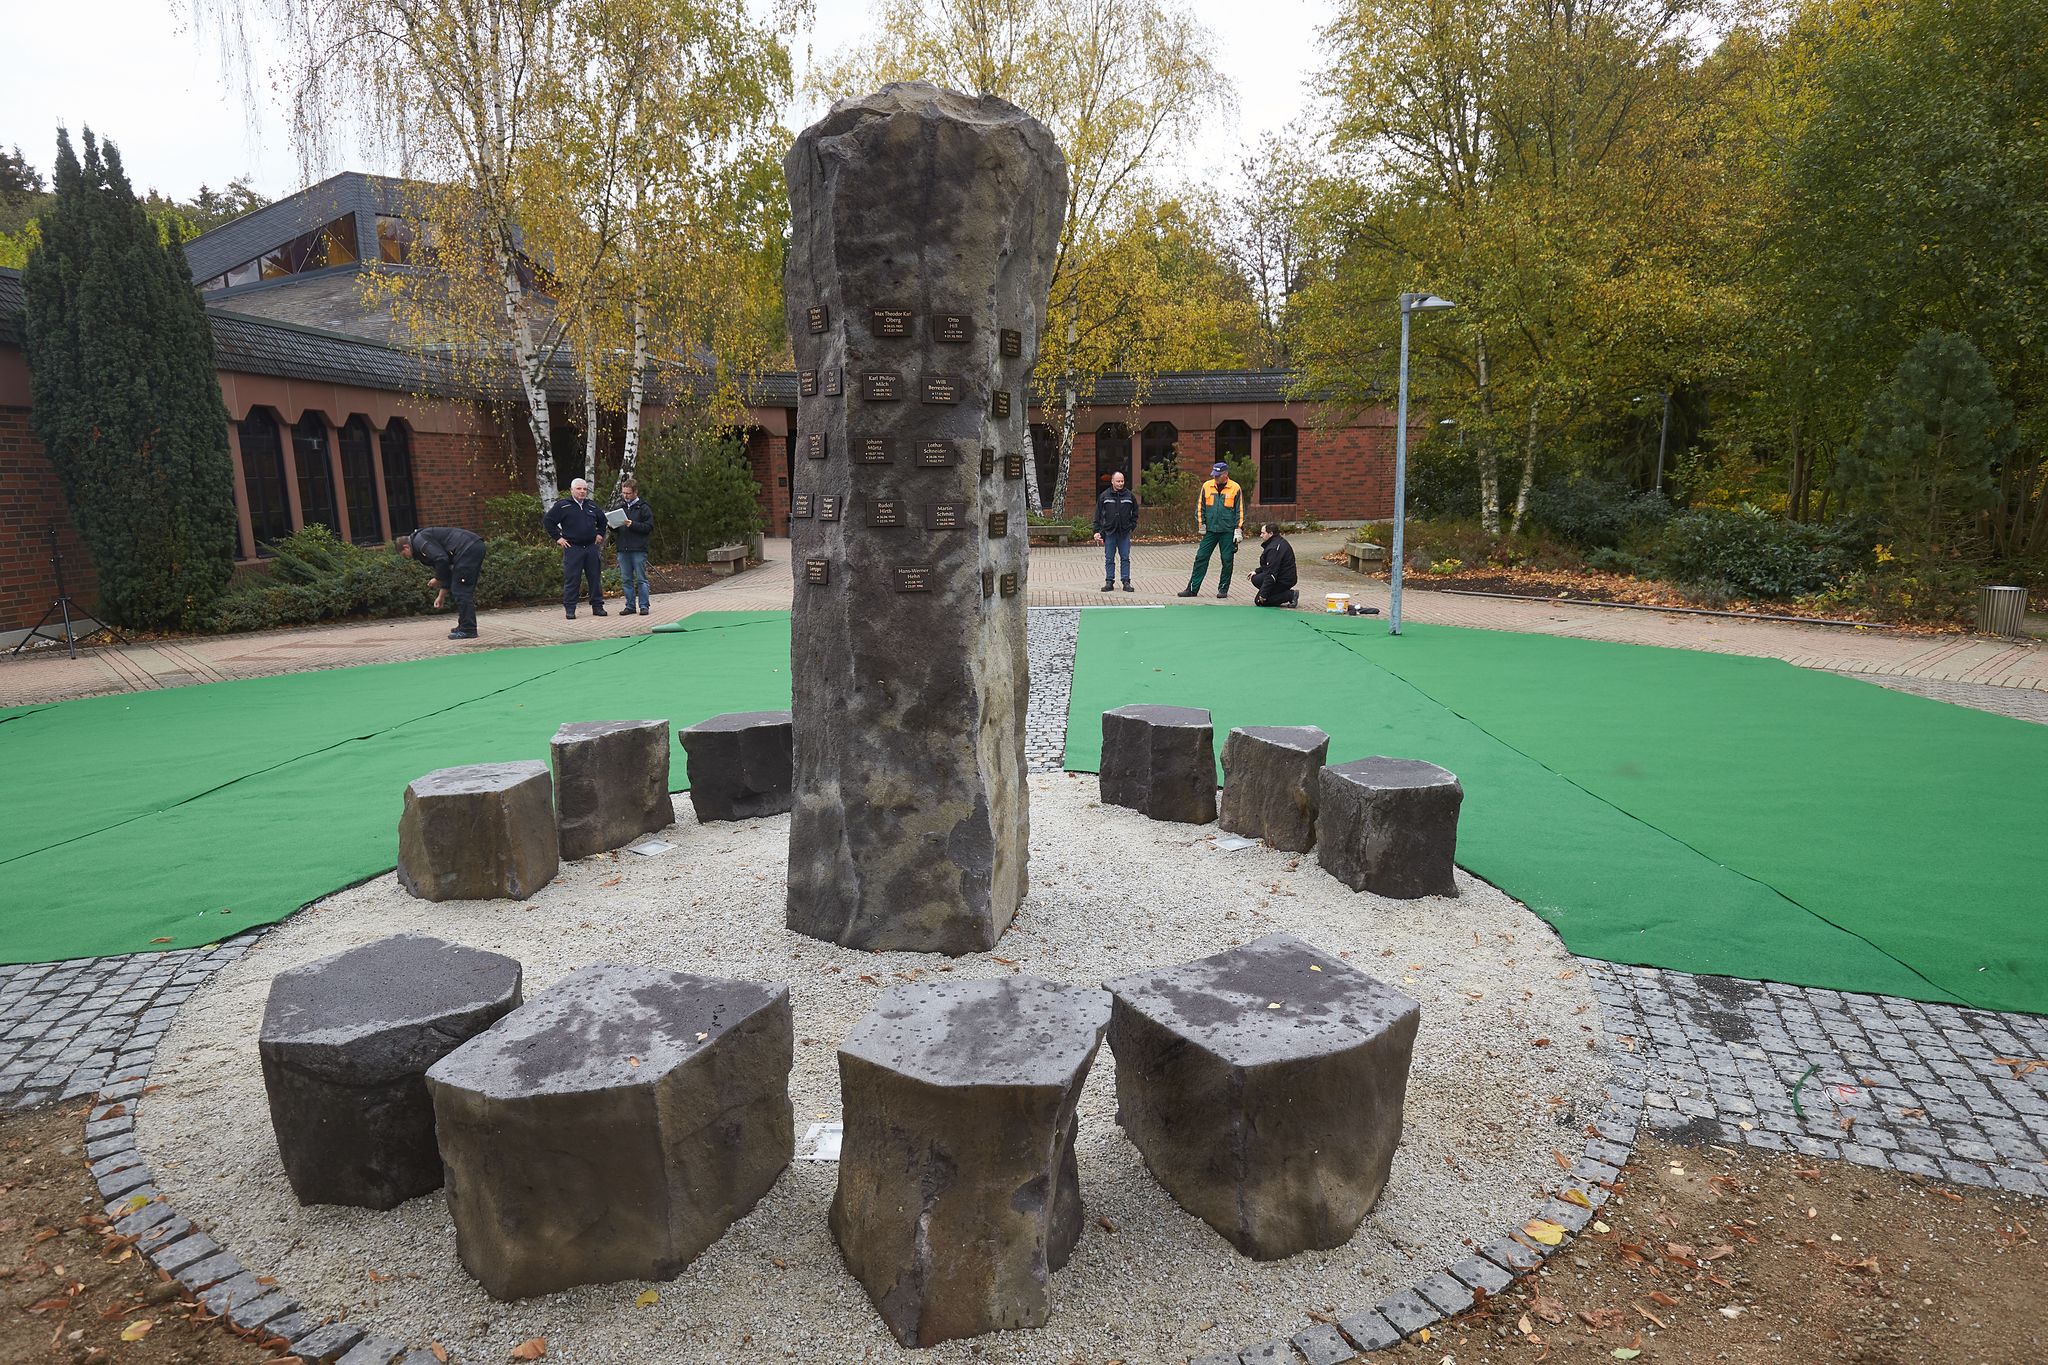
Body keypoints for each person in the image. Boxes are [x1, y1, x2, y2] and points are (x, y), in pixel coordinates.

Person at [397, 526, 488, 639]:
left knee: (461, 591)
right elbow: (446, 569)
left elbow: (441, 559)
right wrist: (441, 596)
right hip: (471, 547)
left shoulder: (420, 542)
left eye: (404, 555)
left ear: (405, 547)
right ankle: (464, 625)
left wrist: (437, 579)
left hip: (468, 548)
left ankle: (468, 629)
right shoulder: (421, 544)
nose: (407, 558)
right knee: (459, 588)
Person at [1177, 461, 1246, 599]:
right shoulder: (1206, 486)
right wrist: (1201, 524)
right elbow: (1199, 506)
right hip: (1210, 531)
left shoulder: (1235, 488)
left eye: (1218, 475)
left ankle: (1223, 589)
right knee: (1201, 557)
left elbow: (1240, 510)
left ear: (1225, 475)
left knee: (1227, 560)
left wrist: (1238, 530)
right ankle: (1192, 589)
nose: (1215, 478)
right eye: (1214, 475)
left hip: (1227, 531)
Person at [543, 478, 608, 618]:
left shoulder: (591, 505)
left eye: (585, 489)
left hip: (591, 547)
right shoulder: (563, 506)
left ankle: (597, 607)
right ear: (572, 490)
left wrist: (600, 534)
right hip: (573, 548)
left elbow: (603, 521)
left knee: (595, 578)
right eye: (579, 489)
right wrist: (558, 538)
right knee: (572, 579)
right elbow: (548, 521)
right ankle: (570, 608)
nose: (582, 491)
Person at [612, 477, 654, 615]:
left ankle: (644, 606)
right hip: (623, 548)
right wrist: (611, 525)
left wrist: (633, 525)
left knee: (641, 579)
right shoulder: (620, 507)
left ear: (635, 492)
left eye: (628, 493)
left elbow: (649, 527)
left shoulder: (643, 508)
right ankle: (630, 606)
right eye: (623, 493)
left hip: (638, 549)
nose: (625, 496)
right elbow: (617, 529)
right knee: (626, 579)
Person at [1091, 469, 1138, 592]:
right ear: (1112, 481)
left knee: (1125, 557)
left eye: (1122, 481)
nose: (1121, 483)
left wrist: (1132, 526)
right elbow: (1098, 515)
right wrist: (1096, 531)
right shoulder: (1104, 496)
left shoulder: (1129, 496)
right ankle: (1109, 581)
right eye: (1118, 481)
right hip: (1109, 532)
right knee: (1109, 558)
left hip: (1124, 533)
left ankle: (1126, 581)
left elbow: (1135, 513)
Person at [1248, 522, 1300, 608]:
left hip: (1284, 579)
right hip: (1281, 575)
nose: (1261, 535)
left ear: (1271, 534)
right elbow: (1270, 565)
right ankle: (1277, 592)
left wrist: (1263, 595)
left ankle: (1290, 595)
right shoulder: (1275, 542)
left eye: (1263, 533)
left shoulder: (1274, 549)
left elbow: (1271, 574)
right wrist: (1257, 571)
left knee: (1259, 601)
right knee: (1255, 578)